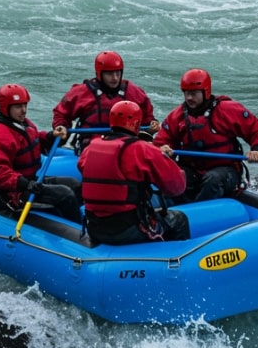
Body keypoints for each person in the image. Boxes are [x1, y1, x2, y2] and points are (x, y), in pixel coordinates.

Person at [78, 100, 190, 245]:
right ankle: (175, 262)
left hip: (95, 227)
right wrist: (165, 158)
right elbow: (177, 188)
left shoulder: (90, 149)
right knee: (179, 219)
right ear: (137, 125)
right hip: (127, 230)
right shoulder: (143, 150)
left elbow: (82, 167)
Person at [153, 68, 258, 203]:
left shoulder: (228, 110)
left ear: (206, 91)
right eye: (186, 93)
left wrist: (257, 150)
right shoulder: (176, 117)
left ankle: (198, 213)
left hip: (225, 171)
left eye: (193, 93)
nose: (189, 98)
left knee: (212, 179)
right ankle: (175, 210)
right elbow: (160, 143)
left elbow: (257, 131)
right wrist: (162, 150)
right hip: (193, 170)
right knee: (172, 175)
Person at [0, 84, 83, 224]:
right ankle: (78, 232)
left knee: (73, 184)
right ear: (6, 107)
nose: (24, 110)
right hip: (7, 194)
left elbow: (33, 140)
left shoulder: (21, 123)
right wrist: (26, 184)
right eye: (18, 107)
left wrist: (51, 137)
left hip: (27, 182)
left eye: (25, 105)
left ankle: (77, 219)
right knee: (64, 194)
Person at [52, 50, 159, 152]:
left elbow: (147, 119)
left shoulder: (134, 92)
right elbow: (61, 114)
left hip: (125, 142)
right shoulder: (81, 92)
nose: (115, 78)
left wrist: (151, 126)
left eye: (118, 73)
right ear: (99, 74)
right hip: (91, 143)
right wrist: (61, 126)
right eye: (110, 74)